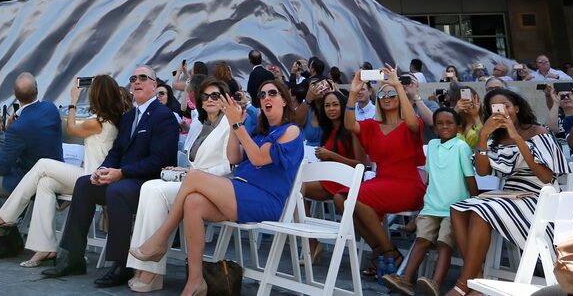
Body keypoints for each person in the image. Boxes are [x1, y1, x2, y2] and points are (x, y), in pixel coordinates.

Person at [129, 79, 303, 296]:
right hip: (241, 192)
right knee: (193, 203)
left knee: (193, 177)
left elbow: (258, 159)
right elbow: (234, 157)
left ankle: (160, 239)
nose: (266, 98)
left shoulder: (291, 130)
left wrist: (238, 125)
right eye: (262, 95)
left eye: (272, 93)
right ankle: (195, 281)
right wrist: (233, 125)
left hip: (264, 199)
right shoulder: (260, 133)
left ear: (285, 100)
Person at [42, 66, 178, 288]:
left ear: (154, 85)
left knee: (117, 191)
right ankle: (74, 258)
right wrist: (102, 170)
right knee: (84, 183)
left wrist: (122, 173)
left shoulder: (164, 117)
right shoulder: (129, 117)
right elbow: (116, 151)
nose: (137, 81)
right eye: (133, 78)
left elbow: (160, 160)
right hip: (124, 179)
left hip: (147, 182)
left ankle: (122, 264)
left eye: (143, 78)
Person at [0, 76, 126, 267]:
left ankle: (6, 216)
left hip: (93, 179)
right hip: (90, 174)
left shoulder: (97, 122)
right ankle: (45, 248)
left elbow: (72, 128)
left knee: (43, 165)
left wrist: (73, 101)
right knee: (44, 183)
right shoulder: (109, 118)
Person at [448, 88, 570, 296]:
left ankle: (462, 285)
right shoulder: (496, 139)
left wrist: (517, 137)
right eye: (495, 108)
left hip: (540, 196)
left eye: (506, 105)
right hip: (510, 195)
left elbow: (546, 177)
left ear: (516, 108)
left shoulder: (538, 132)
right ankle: (476, 277)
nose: (502, 111)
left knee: (481, 210)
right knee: (458, 209)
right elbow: (483, 170)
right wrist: (484, 135)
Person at [127, 78, 233, 292]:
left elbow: (229, 166)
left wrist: (195, 174)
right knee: (149, 187)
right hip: (192, 181)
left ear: (224, 100)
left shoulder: (229, 124)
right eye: (205, 96)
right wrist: (187, 172)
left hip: (215, 186)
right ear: (200, 101)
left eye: (216, 95)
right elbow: (194, 161)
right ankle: (144, 266)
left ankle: (152, 269)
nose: (210, 99)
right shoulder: (200, 125)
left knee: (156, 191)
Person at [384, 108, 478, 296]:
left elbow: (469, 178)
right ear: (434, 127)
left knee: (445, 243)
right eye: (440, 123)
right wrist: (421, 207)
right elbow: (429, 178)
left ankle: (435, 283)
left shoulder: (461, 146)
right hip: (431, 205)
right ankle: (406, 279)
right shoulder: (433, 145)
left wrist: (474, 204)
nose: (444, 127)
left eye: (449, 123)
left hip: (455, 208)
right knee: (421, 240)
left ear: (458, 127)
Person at [343, 66, 426, 276]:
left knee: (356, 197)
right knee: (341, 199)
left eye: (392, 93)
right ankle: (384, 250)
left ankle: (387, 252)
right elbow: (350, 125)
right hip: (382, 181)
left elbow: (414, 123)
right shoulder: (372, 125)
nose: (387, 96)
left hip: (408, 185)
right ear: (377, 97)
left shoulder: (409, 124)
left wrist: (397, 84)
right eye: (382, 93)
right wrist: (353, 93)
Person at [0, 73, 64, 260]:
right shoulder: (51, 108)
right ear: (37, 90)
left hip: (29, 179)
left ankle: (5, 241)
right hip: (57, 174)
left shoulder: (18, 127)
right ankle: (10, 233)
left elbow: (2, 167)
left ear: (15, 95)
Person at [302, 89, 364, 262]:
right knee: (295, 190)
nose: (331, 109)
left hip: (345, 182)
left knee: (297, 190)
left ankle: (312, 243)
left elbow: (360, 164)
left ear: (343, 106)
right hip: (329, 178)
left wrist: (331, 156)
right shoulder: (328, 130)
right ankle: (310, 241)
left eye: (335, 104)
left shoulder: (352, 129)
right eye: (327, 105)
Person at [453, 85, 483, 149]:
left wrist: (475, 116)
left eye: (471, 98)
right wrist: (454, 112)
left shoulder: (484, 120)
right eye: (463, 100)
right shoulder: (453, 121)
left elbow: (485, 140)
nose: (468, 102)